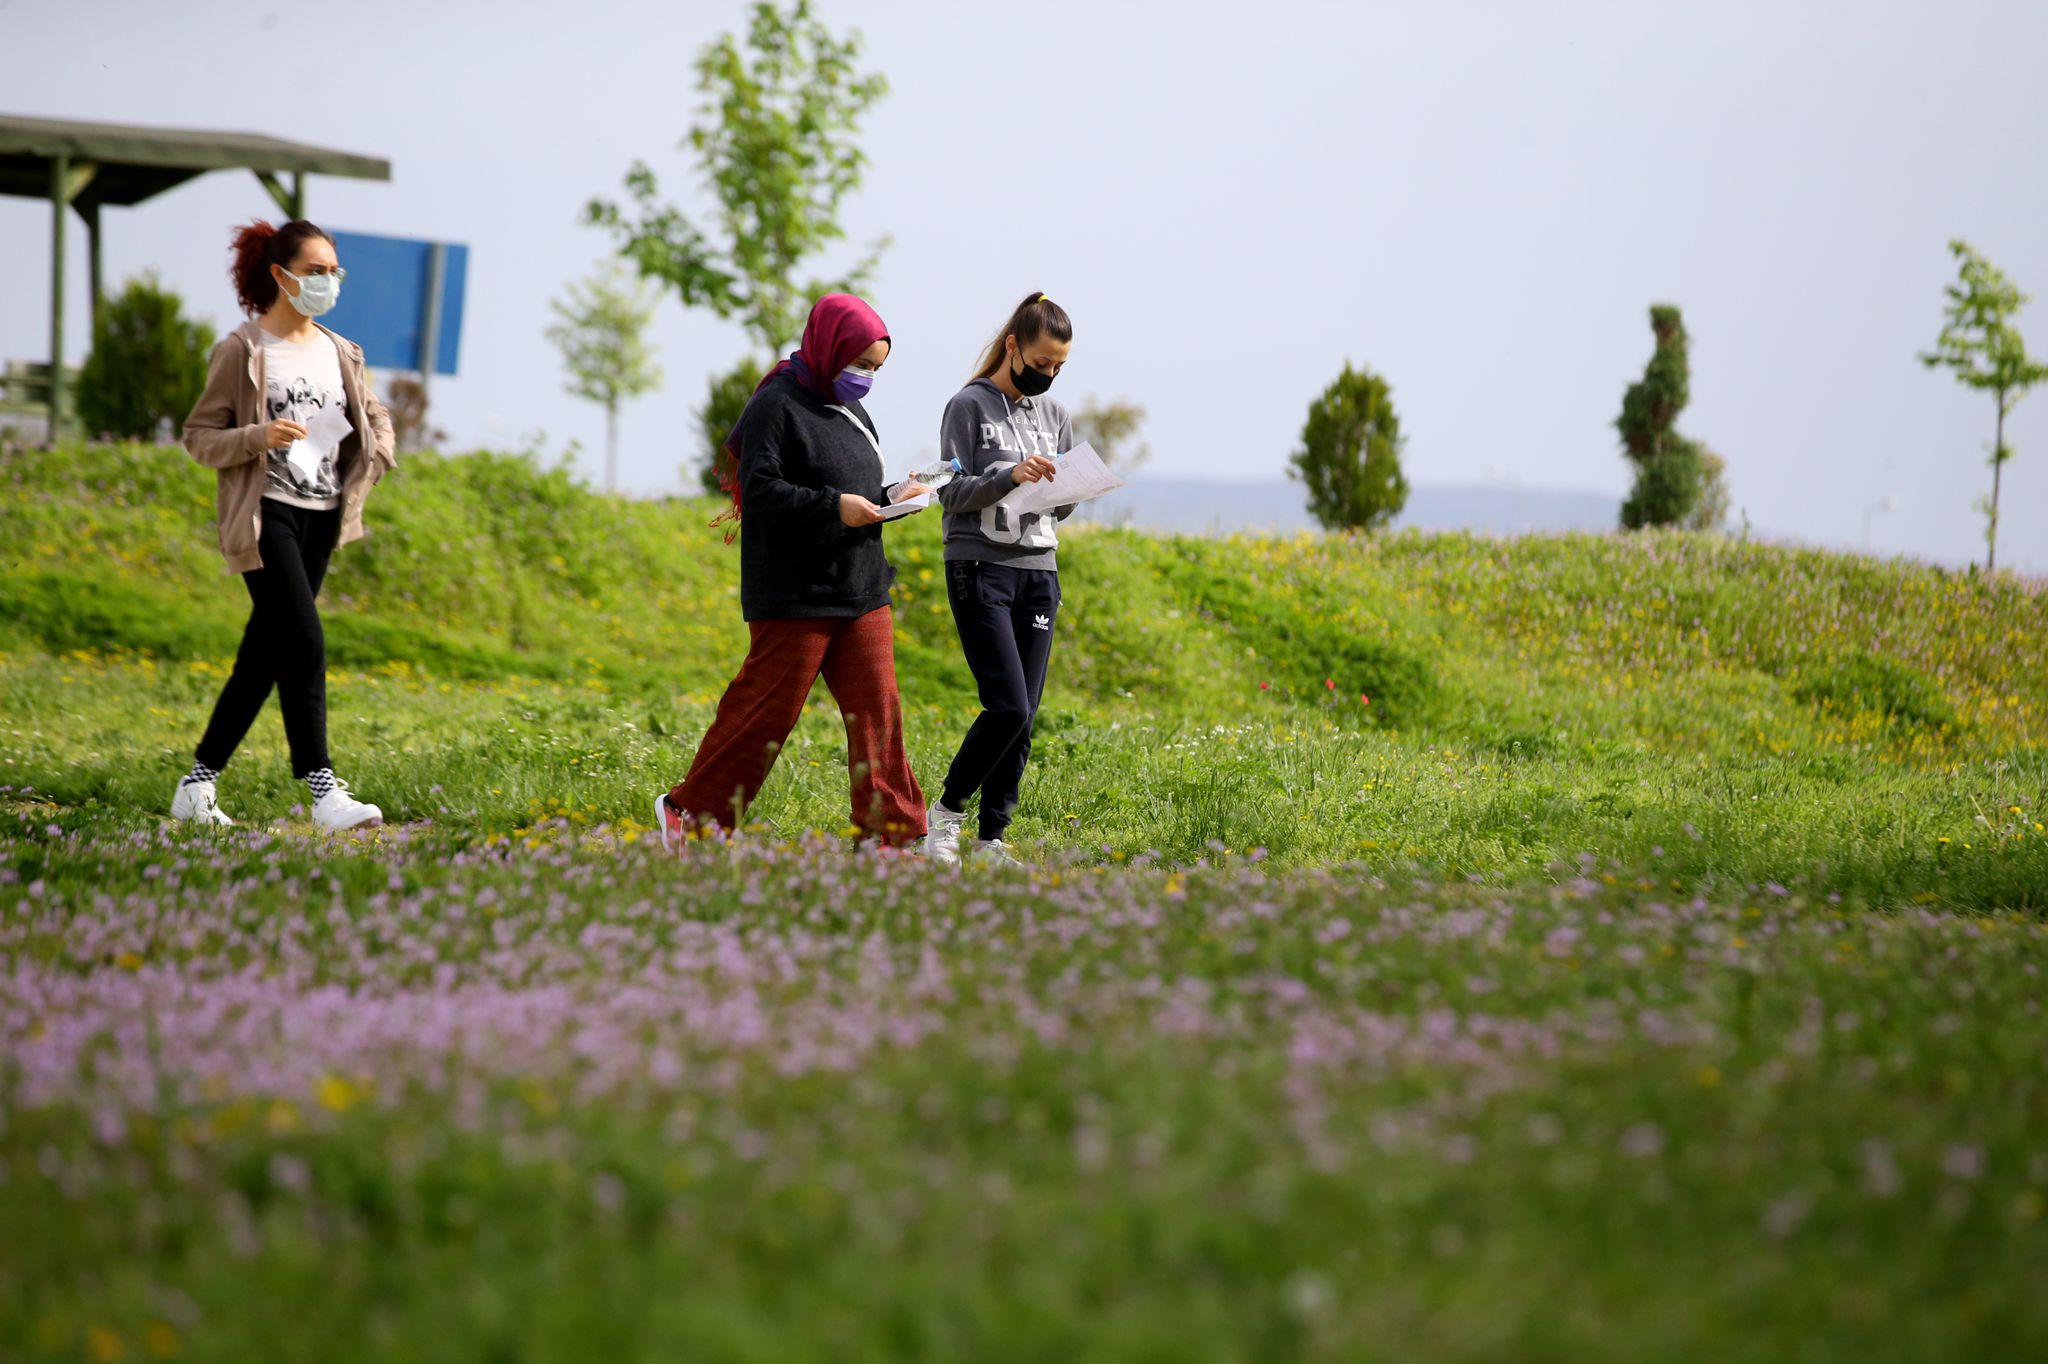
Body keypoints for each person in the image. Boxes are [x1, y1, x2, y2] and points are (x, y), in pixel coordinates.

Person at [655, 293, 931, 850]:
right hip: (796, 594)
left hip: (861, 586)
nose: (866, 379)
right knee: (765, 714)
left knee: (877, 716)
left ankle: (891, 837)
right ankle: (691, 814)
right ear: (830, 348)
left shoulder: (850, 408)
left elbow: (854, 487)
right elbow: (761, 491)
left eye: (875, 369)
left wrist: (891, 496)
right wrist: (834, 506)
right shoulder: (775, 405)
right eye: (859, 365)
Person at [173, 219, 395, 831]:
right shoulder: (243, 350)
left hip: (322, 518)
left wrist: (377, 451)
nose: (327, 282)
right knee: (304, 642)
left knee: (263, 656)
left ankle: (196, 788)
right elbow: (198, 437)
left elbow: (373, 415)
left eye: (333, 272)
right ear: (280, 275)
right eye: (315, 271)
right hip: (263, 513)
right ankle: (324, 795)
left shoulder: (339, 350)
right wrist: (257, 436)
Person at [923, 292, 1077, 866]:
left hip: (1039, 572)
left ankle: (993, 840)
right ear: (1012, 346)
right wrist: (1009, 474)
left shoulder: (1055, 414)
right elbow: (948, 492)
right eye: (1041, 363)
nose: (1050, 375)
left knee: (1027, 714)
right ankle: (944, 818)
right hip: (979, 566)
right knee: (1007, 705)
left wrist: (1068, 490)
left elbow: (1060, 509)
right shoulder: (966, 407)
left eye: (1059, 366)